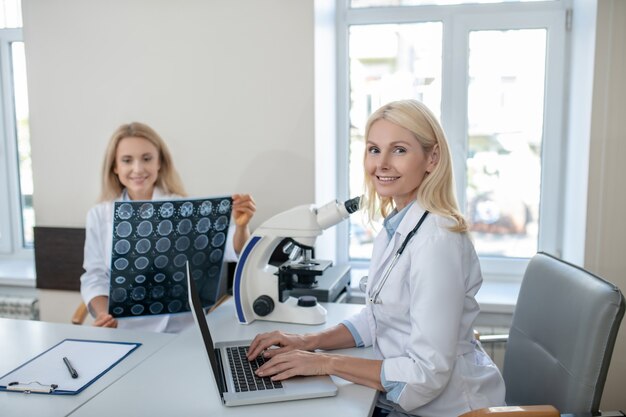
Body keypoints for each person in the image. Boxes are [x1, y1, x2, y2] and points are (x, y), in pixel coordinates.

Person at [246, 100, 505, 416]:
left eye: (398, 150)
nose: (381, 163)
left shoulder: (438, 241)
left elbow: (425, 374)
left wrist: (322, 362)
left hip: (443, 409)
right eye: (373, 149)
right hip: (400, 398)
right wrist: (306, 341)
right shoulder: (399, 223)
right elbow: (378, 318)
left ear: (431, 158)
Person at [80, 122, 256, 333]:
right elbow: (94, 276)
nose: (138, 169)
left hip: (182, 329)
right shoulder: (99, 215)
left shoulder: (186, 209)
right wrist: (102, 314)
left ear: (160, 163)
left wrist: (241, 226)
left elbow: (232, 249)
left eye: (147, 158)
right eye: (127, 160)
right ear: (115, 167)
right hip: (125, 329)